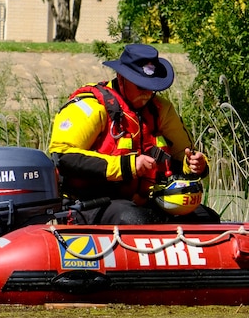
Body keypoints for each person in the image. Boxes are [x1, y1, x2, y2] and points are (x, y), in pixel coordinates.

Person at [48, 43, 220, 225]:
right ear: (121, 78)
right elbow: (63, 158)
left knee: (206, 218)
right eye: (140, 86)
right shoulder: (90, 106)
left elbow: (182, 154)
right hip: (90, 203)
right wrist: (127, 165)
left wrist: (195, 165)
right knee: (136, 220)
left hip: (144, 201)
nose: (147, 93)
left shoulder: (162, 110)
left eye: (152, 86)